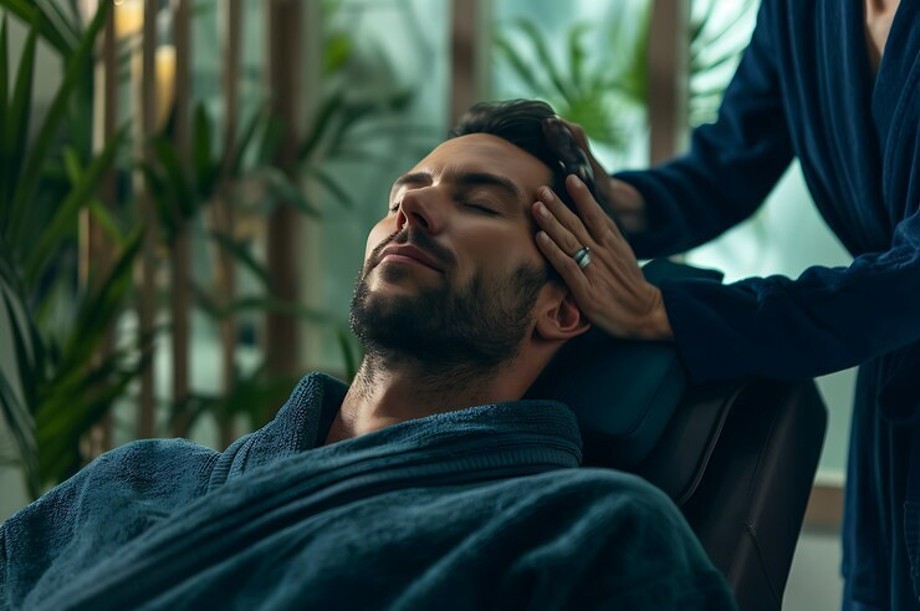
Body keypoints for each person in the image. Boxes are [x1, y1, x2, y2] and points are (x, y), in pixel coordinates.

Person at [0, 100, 737, 611]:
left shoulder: (586, 532)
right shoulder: (137, 479)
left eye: (479, 203)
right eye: (403, 194)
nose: (410, 210)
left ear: (564, 305)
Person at [531, 0, 919, 608]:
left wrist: (665, 312)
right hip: (892, 412)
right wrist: (605, 198)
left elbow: (910, 280)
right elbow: (727, 165)